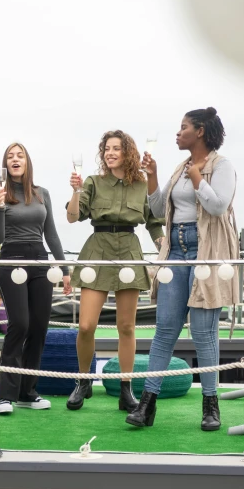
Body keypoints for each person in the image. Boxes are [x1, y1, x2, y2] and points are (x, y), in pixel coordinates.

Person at [126, 107, 238, 431]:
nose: (178, 132)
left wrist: (199, 179)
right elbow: (159, 210)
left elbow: (218, 205)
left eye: (184, 127)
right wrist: (153, 177)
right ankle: (146, 405)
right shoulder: (182, 167)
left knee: (204, 332)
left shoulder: (221, 165)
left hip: (207, 250)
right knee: (165, 328)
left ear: (200, 131)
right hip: (175, 250)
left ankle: (210, 406)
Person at [66, 130, 164, 412]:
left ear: (128, 153)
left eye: (116, 148)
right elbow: (73, 217)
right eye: (106, 148)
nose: (109, 153)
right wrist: (75, 191)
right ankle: (83, 382)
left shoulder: (142, 184)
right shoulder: (93, 182)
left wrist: (163, 248)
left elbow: (154, 223)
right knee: (86, 326)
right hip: (97, 250)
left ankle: (126, 388)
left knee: (126, 327)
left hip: (129, 252)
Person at [0, 143, 71, 414]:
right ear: (5, 164)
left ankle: (27, 392)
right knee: (20, 324)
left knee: (39, 327)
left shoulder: (42, 194)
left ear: (27, 162)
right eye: (10, 156)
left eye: (20, 155)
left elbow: (52, 235)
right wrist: (0, 206)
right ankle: (5, 395)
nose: (15, 159)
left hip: (40, 261)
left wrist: (65, 270)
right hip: (11, 260)